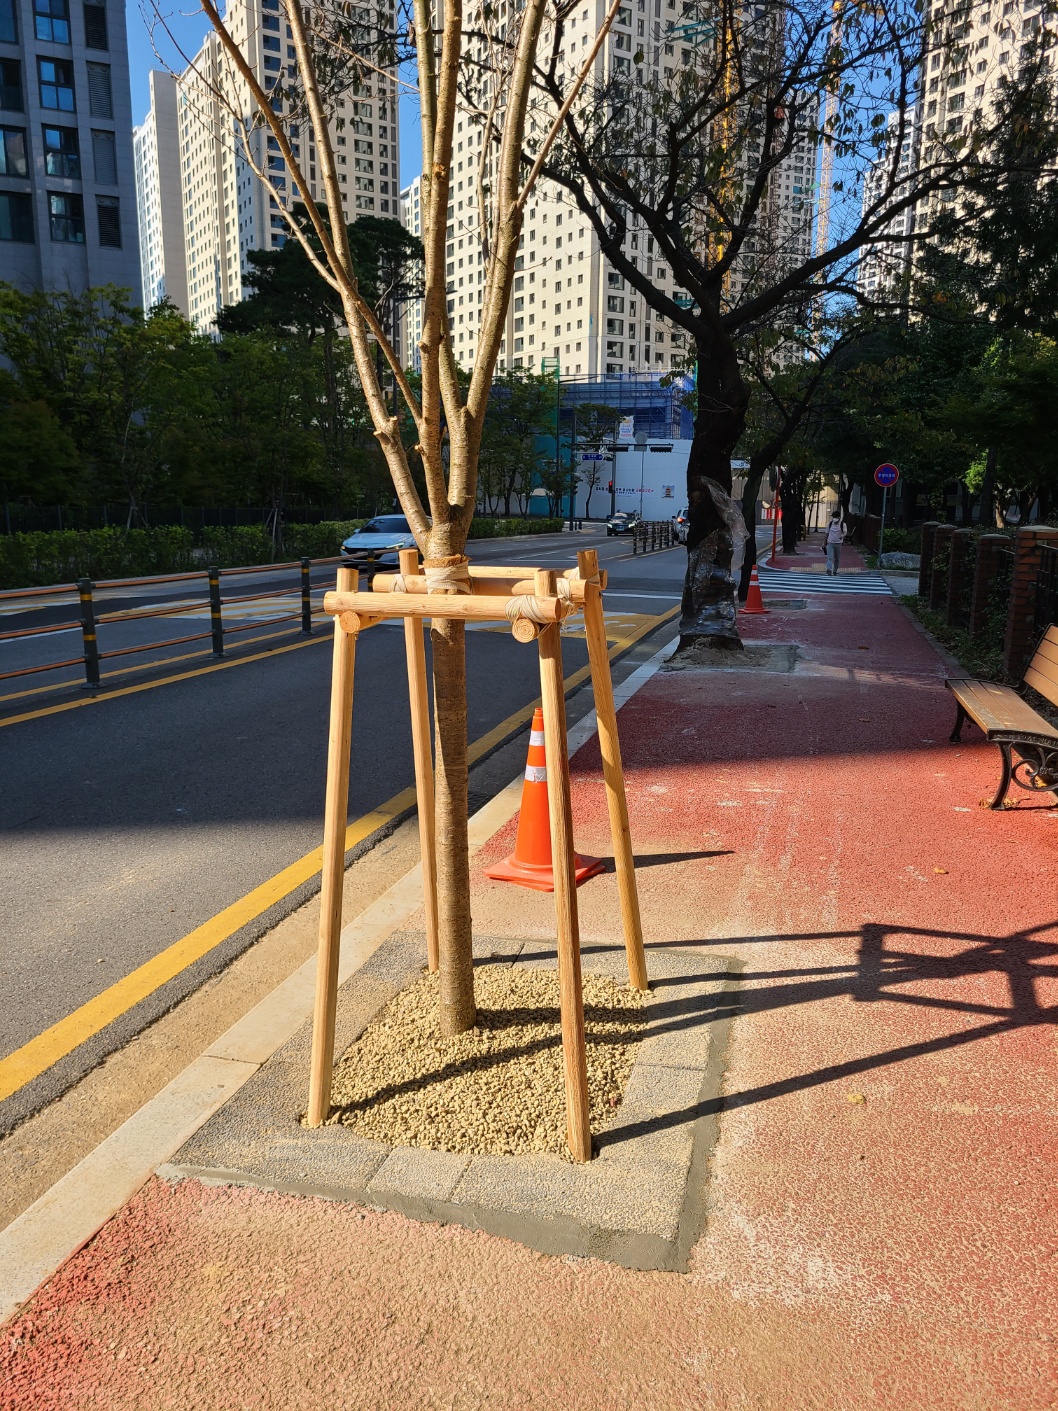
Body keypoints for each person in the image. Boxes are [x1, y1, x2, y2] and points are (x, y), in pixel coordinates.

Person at [824, 510, 846, 575]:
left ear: (839, 517)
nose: (834, 518)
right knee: (830, 557)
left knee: (837, 558)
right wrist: (824, 542)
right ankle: (829, 569)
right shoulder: (830, 524)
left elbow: (845, 532)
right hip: (830, 543)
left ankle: (835, 570)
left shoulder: (842, 524)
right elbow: (826, 533)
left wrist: (842, 536)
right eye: (833, 517)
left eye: (835, 517)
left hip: (838, 543)